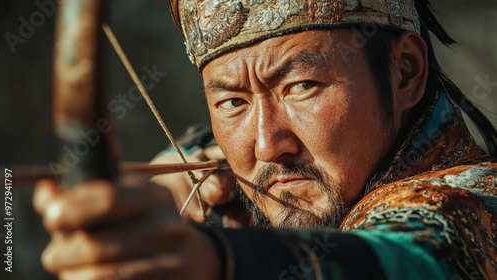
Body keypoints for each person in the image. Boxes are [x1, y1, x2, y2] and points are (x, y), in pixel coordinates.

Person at [33, 0, 497, 279]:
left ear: (404, 73)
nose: (266, 145)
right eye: (233, 102)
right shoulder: (228, 200)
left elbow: (410, 257)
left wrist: (210, 260)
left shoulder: (472, 207)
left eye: (302, 87)